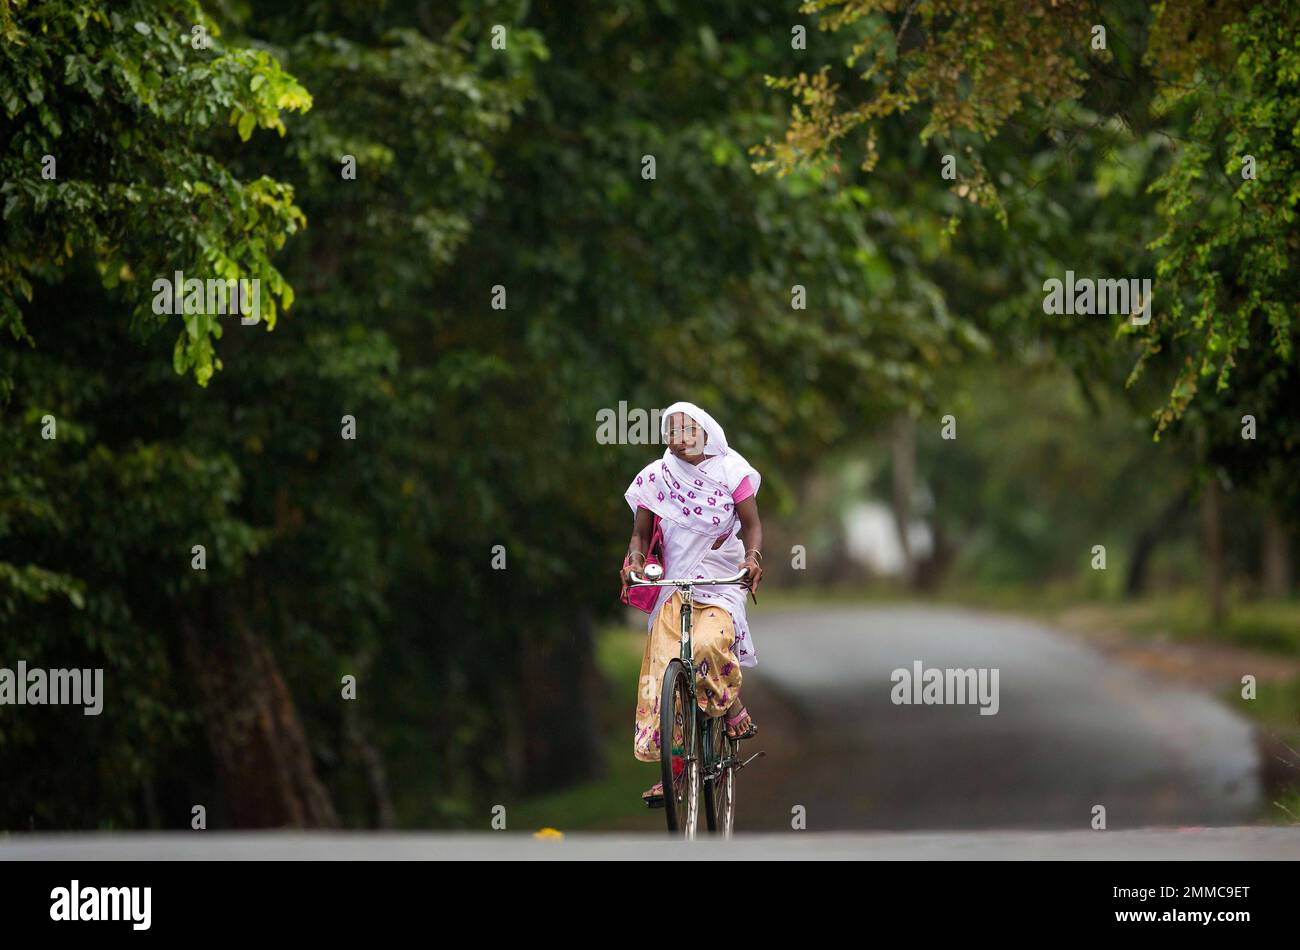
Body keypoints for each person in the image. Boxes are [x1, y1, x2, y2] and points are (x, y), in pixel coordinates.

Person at [620, 401, 764, 802]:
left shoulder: (731, 472)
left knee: (704, 645)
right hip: (674, 584)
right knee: (665, 668)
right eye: (672, 431)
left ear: (706, 432)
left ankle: (729, 704)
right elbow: (640, 534)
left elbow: (752, 526)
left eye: (688, 430)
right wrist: (634, 559)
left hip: (720, 583)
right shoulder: (656, 477)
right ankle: (676, 772)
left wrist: (752, 559)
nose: (679, 439)